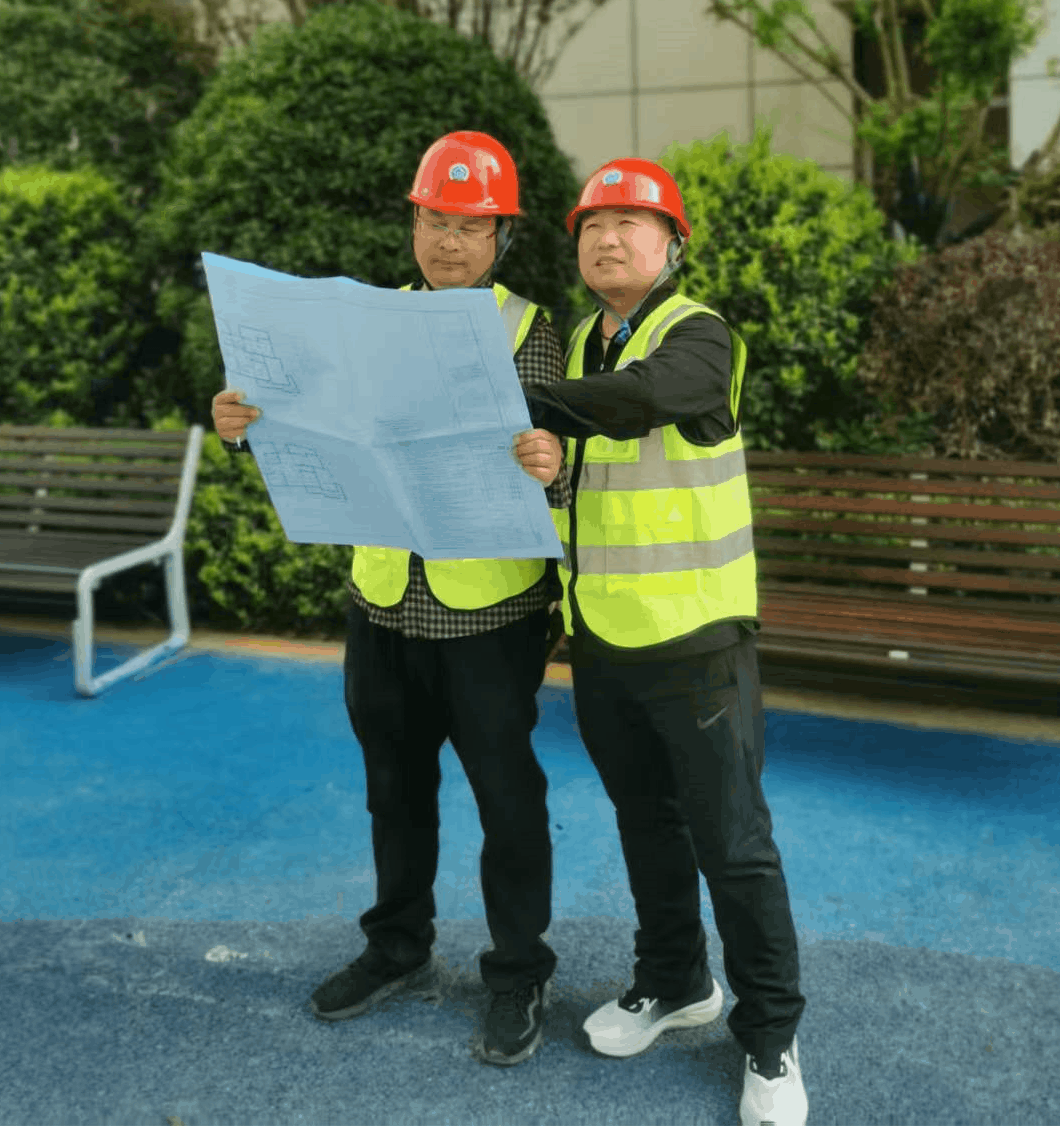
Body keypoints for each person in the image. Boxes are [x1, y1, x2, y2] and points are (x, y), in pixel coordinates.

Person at [212, 130, 570, 1068]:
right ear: (412, 224)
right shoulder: (361, 324)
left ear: (502, 237)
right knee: (393, 791)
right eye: (433, 220)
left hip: (490, 615)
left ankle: (518, 970)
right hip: (381, 603)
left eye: (469, 225)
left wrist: (551, 464)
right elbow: (305, 425)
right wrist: (244, 426)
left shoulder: (533, 332)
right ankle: (398, 947)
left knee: (507, 799)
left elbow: (565, 468)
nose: (447, 240)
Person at [518, 157, 810, 1126]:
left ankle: (770, 1035)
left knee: (733, 844)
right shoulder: (582, 349)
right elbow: (587, 482)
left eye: (630, 223)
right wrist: (546, 465)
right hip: (602, 637)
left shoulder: (697, 334)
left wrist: (527, 405)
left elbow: (645, 400)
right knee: (645, 824)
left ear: (672, 245)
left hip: (696, 639)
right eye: (591, 225)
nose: (606, 238)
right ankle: (675, 980)